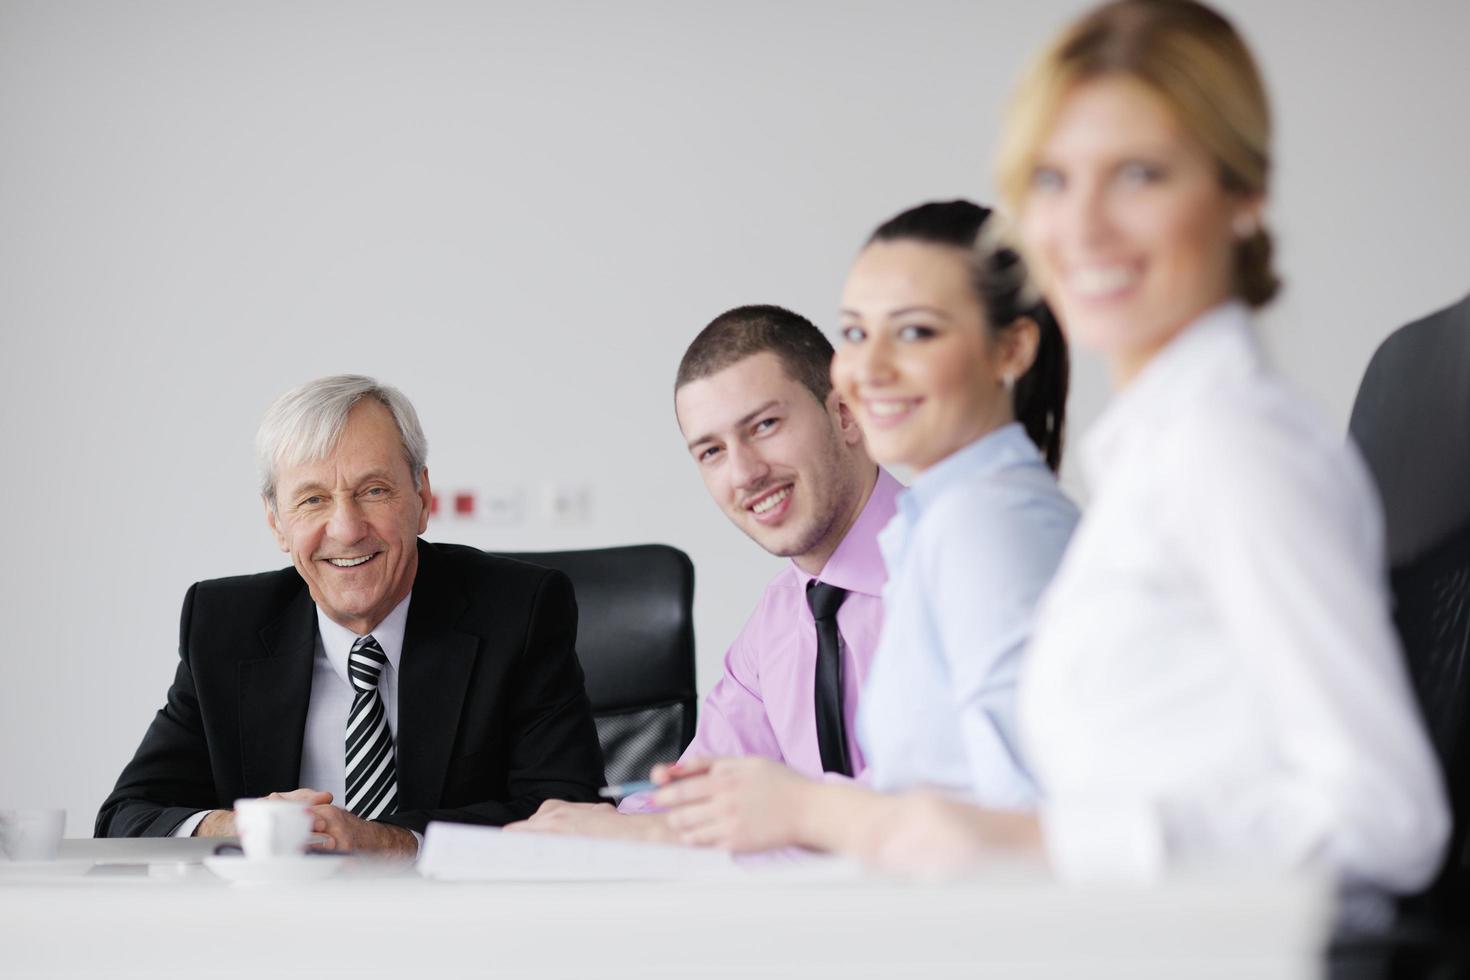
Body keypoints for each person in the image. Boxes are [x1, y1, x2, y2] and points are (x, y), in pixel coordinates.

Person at [841, 0, 1450, 890]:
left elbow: (1389, 819)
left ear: (1242, 195)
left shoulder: (1232, 448)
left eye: (1138, 175)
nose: (1081, 227)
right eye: (1051, 180)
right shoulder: (1151, 455)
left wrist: (1033, 845)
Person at [649, 202, 1078, 854]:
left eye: (913, 333)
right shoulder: (797, 607)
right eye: (855, 334)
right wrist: (610, 829)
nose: (870, 369)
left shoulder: (988, 530)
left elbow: (1022, 817)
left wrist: (803, 811)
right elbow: (703, 794)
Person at [95, 375, 606, 855]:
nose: (345, 529)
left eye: (373, 491)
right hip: (274, 932)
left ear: (423, 499)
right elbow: (127, 816)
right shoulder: (224, 626)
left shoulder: (519, 611)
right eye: (312, 500)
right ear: (276, 523)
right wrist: (238, 826)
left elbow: (571, 811)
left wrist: (387, 842)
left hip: (462, 927)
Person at [510, 305, 897, 843]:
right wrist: (604, 829)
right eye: (712, 451)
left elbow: (930, 808)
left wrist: (648, 838)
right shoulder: (783, 617)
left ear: (846, 413)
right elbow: (701, 789)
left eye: (764, 425)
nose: (744, 473)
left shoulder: (956, 568)